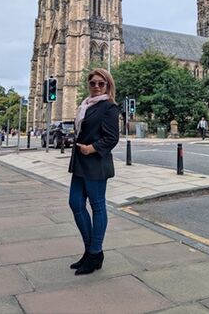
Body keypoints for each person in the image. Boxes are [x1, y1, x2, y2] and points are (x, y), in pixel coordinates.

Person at [68, 68, 120, 275]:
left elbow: (112, 138)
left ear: (108, 85)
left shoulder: (109, 107)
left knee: (97, 206)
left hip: (96, 162)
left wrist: (92, 148)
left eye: (101, 83)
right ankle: (91, 251)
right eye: (93, 83)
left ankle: (94, 252)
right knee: (75, 203)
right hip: (80, 162)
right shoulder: (85, 105)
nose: (96, 86)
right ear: (88, 85)